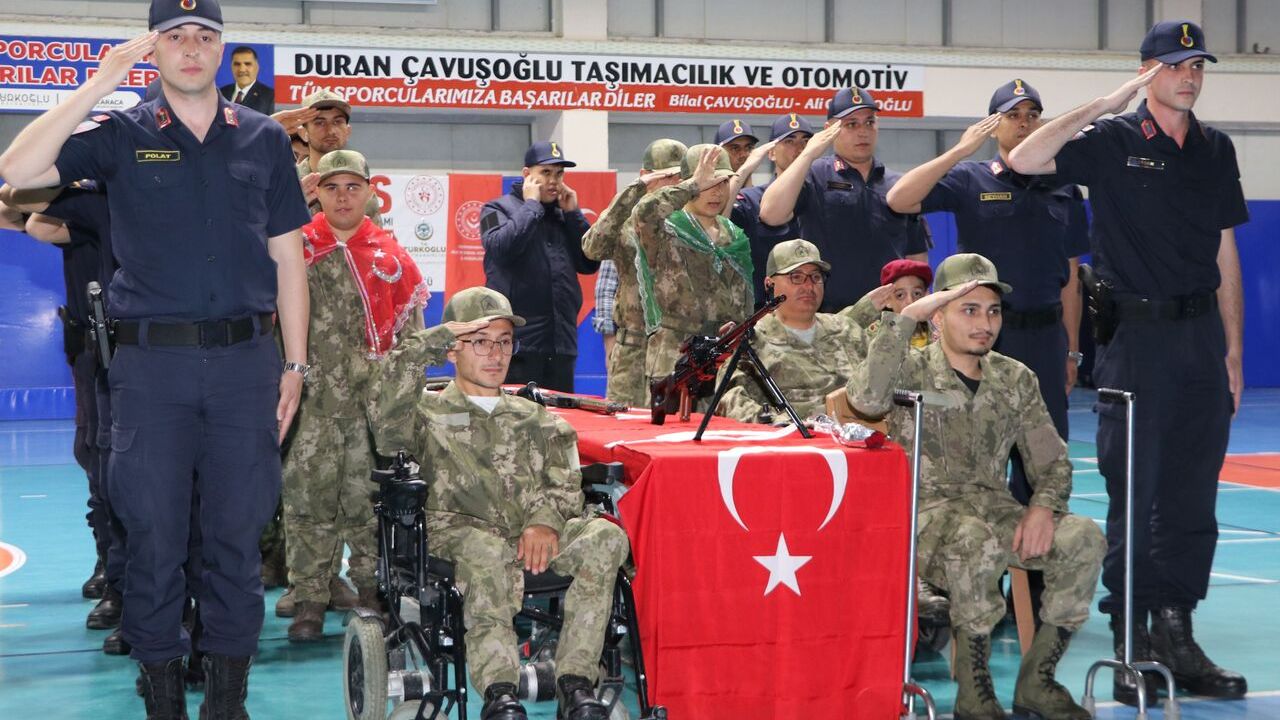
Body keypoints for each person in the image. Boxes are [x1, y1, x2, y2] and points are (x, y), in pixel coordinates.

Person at [0, 1, 312, 715]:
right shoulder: (120, 135)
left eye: (205, 36)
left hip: (244, 367)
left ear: (224, 49)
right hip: (150, 371)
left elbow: (288, 256)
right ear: (154, 50)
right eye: (175, 37)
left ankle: (226, 701)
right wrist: (99, 82)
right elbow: (17, 166)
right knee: (153, 539)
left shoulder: (263, 138)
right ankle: (163, 698)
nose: (191, 48)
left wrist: (295, 365)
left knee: (235, 540)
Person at [1008, 19, 1249, 704]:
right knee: (1135, 495)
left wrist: (1233, 349)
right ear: (1147, 72)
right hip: (1136, 341)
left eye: (1197, 66)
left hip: (1200, 339)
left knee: (1192, 498)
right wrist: (1109, 100)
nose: (1190, 77)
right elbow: (1024, 158)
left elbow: (1224, 250)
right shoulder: (1113, 140)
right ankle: (1129, 643)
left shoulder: (1216, 149)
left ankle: (1177, 631)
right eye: (1175, 66)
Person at [847, 254, 1105, 720]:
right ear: (938, 315)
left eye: (993, 311)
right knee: (973, 539)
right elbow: (864, 400)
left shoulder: (1015, 378)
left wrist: (1043, 508)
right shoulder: (909, 370)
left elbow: (1052, 461)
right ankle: (974, 691)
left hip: (992, 509)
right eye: (969, 310)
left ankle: (1038, 680)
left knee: (1083, 537)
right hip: (921, 517)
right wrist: (906, 318)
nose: (985, 324)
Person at [369, 287, 630, 720]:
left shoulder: (537, 418)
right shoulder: (424, 414)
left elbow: (565, 481)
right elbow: (384, 410)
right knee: (486, 553)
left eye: (504, 341)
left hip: (533, 536)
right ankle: (500, 692)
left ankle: (575, 683)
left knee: (605, 536)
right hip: (460, 536)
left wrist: (544, 521)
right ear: (453, 348)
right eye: (480, 341)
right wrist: (434, 338)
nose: (495, 354)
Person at [887, 79, 1090, 506]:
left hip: (1045, 338)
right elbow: (900, 199)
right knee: (977, 453)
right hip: (984, 337)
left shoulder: (1065, 188)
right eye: (1012, 116)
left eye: (1032, 116)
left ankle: (1037, 544)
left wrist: (1070, 349)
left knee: (1045, 456)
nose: (1024, 124)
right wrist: (959, 151)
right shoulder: (970, 178)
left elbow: (1071, 276)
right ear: (994, 126)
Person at [283, 150, 427, 642]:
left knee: (369, 504)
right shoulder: (295, 249)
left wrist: (402, 408)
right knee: (307, 503)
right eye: (331, 187)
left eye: (352, 187)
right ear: (316, 193)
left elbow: (411, 340)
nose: (342, 198)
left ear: (370, 192)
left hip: (372, 412)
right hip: (310, 407)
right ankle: (310, 598)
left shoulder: (392, 258)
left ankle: (370, 590)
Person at [760, 88, 931, 311]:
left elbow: (916, 255)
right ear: (829, 130)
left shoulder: (898, 185)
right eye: (851, 124)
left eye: (869, 122)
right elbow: (771, 214)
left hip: (889, 316)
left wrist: (918, 308)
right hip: (830, 317)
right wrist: (808, 154)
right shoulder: (814, 175)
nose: (863, 132)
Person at [481, 141, 599, 392]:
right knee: (516, 414)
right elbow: (501, 248)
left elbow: (589, 262)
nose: (553, 181)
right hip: (517, 346)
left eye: (559, 174)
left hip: (561, 344)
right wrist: (532, 206)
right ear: (527, 174)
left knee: (560, 415)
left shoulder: (563, 215)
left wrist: (573, 215)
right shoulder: (495, 209)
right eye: (545, 172)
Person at [630, 144, 754, 383]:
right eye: (708, 183)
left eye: (723, 182)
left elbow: (743, 303)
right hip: (675, 358)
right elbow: (643, 213)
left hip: (723, 360)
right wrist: (692, 186)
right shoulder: (666, 228)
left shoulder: (734, 235)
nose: (717, 191)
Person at [580, 139, 686, 405]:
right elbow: (593, 251)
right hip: (632, 346)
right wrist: (609, 339)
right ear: (645, 176)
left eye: (681, 177)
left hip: (676, 348)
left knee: (673, 423)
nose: (675, 184)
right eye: (667, 176)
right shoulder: (625, 221)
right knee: (623, 418)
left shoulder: (691, 224)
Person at [716, 239, 867, 424]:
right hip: (792, 437)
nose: (809, 286)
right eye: (796, 277)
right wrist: (783, 425)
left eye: (816, 277)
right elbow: (729, 400)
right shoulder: (750, 340)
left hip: (859, 434)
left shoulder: (847, 330)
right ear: (769, 284)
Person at [730, 113, 814, 307]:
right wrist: (743, 171)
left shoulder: (822, 193)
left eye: (805, 142)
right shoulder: (751, 199)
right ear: (772, 153)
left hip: (817, 305)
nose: (799, 149)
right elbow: (718, 227)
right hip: (765, 310)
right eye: (789, 141)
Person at [293, 89, 381, 223]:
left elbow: (373, 234)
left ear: (348, 131)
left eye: (337, 122)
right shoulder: (290, 183)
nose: (330, 131)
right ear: (303, 133)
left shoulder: (359, 183)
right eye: (320, 123)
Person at [840, 258, 935, 348]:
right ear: (887, 301)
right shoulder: (871, 336)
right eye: (900, 295)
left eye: (917, 293)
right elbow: (837, 333)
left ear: (926, 295)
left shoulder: (938, 331)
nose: (910, 301)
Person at [218, 46, 274, 115]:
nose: (242, 69)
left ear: (257, 67)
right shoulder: (221, 93)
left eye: (247, 64)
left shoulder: (269, 96)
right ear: (231, 67)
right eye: (237, 64)